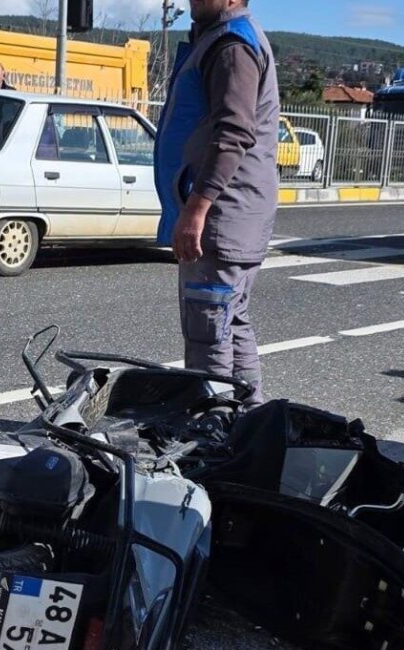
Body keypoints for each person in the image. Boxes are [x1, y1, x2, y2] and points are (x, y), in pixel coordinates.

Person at [153, 0, 280, 409]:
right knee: (230, 323)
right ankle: (249, 422)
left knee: (208, 333)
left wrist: (196, 209)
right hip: (237, 211)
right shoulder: (223, 39)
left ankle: (215, 429)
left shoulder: (231, 45)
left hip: (222, 215)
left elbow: (233, 132)